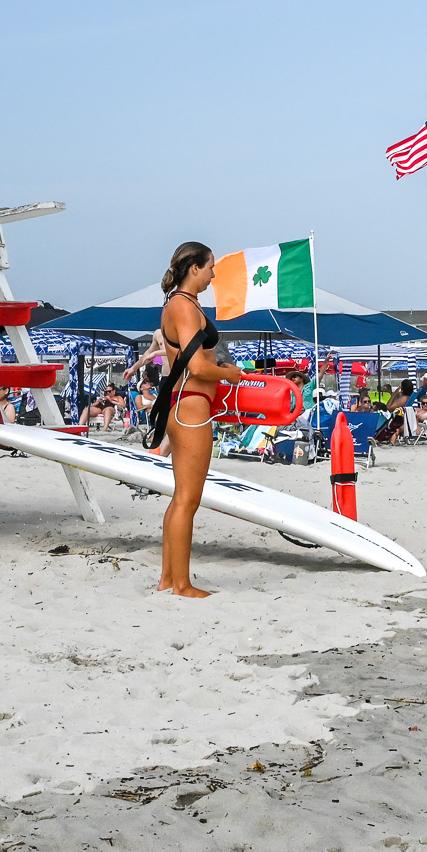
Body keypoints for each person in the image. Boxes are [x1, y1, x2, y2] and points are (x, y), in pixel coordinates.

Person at [152, 241, 248, 598]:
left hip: (184, 404)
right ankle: (182, 585)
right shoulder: (183, 306)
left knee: (181, 498)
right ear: (194, 268)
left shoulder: (181, 304)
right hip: (190, 407)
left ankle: (167, 579)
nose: (212, 274)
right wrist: (228, 374)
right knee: (188, 499)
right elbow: (197, 366)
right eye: (209, 267)